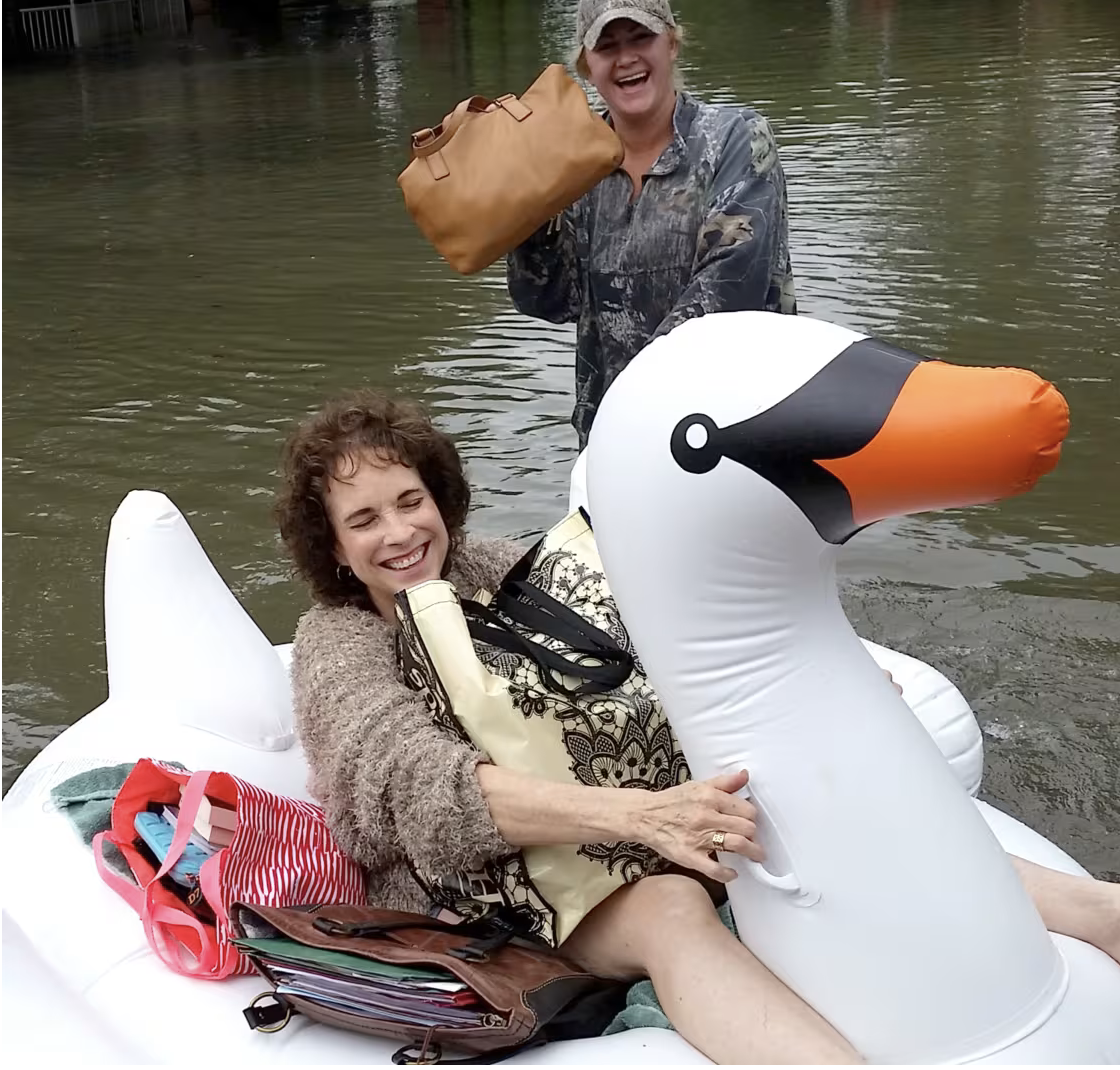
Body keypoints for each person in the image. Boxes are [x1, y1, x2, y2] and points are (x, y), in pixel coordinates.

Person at [276, 390, 1120, 1065]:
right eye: (365, 521)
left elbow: (670, 640)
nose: (399, 534)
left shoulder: (493, 565)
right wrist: (644, 817)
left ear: (439, 498)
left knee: (809, 807)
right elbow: (422, 795)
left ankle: (1101, 914)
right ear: (335, 547)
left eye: (409, 501)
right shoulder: (338, 641)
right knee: (669, 902)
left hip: (626, 804)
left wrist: (832, 698)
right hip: (482, 878)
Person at [507, 0, 798, 450]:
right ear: (587, 66)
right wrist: (527, 214)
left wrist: (635, 395)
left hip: (734, 436)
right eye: (606, 46)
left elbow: (730, 286)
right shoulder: (573, 168)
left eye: (641, 37)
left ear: (672, 43)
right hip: (615, 440)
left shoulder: (736, 138)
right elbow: (548, 300)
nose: (626, 58)